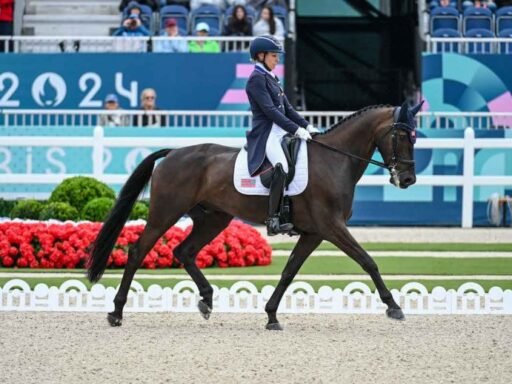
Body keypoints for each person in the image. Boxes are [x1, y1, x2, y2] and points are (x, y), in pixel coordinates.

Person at [245, 35, 319, 236]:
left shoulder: (271, 78)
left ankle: (291, 212)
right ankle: (273, 219)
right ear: (260, 56)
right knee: (282, 166)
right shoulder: (256, 79)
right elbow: (271, 112)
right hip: (267, 132)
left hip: (280, 130)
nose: (277, 59)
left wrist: (307, 126)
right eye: (273, 55)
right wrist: (296, 130)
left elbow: (288, 109)